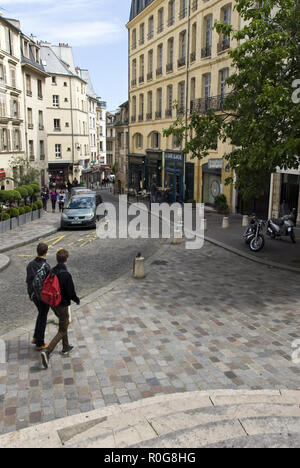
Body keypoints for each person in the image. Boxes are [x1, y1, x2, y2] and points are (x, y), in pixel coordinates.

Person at [41, 249, 80, 369]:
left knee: (64, 323)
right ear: (66, 259)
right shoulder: (66, 274)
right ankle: (47, 351)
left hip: (53, 303)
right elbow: (70, 292)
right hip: (62, 305)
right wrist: (76, 299)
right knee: (62, 329)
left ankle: (66, 346)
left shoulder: (52, 271)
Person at [26, 243, 51, 351]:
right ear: (46, 252)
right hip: (43, 297)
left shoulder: (30, 264)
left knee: (40, 314)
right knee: (43, 317)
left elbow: (28, 281)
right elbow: (49, 284)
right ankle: (40, 343)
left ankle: (36, 337)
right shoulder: (46, 267)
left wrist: (30, 294)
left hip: (34, 295)